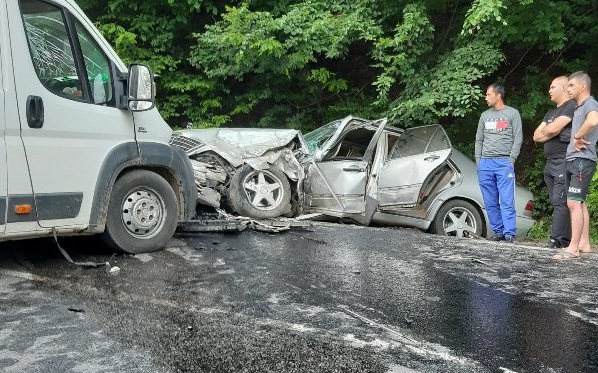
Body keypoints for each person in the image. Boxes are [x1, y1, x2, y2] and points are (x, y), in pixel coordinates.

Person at [552, 71, 598, 260]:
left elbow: (594, 120)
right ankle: (584, 244)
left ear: (582, 86)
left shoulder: (590, 103)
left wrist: (578, 136)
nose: (567, 88)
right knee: (579, 202)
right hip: (573, 159)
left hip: (582, 160)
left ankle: (573, 248)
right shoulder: (579, 107)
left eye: (570, 85)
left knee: (573, 202)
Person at [475, 83, 523, 242]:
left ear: (498, 95)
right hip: (485, 163)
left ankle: (510, 233)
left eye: (488, 94)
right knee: (490, 201)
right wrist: (478, 161)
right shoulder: (484, 115)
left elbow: (518, 138)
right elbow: (479, 139)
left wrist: (512, 159)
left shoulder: (512, 113)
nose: (486, 97)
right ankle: (498, 232)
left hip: (504, 163)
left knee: (507, 200)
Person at [533, 76, 576, 249]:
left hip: (563, 160)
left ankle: (558, 239)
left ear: (565, 88)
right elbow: (536, 135)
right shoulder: (550, 113)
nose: (549, 90)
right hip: (550, 163)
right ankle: (564, 238)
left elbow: (552, 128)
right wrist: (551, 131)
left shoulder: (571, 106)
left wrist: (550, 131)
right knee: (556, 201)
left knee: (560, 200)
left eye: (552, 87)